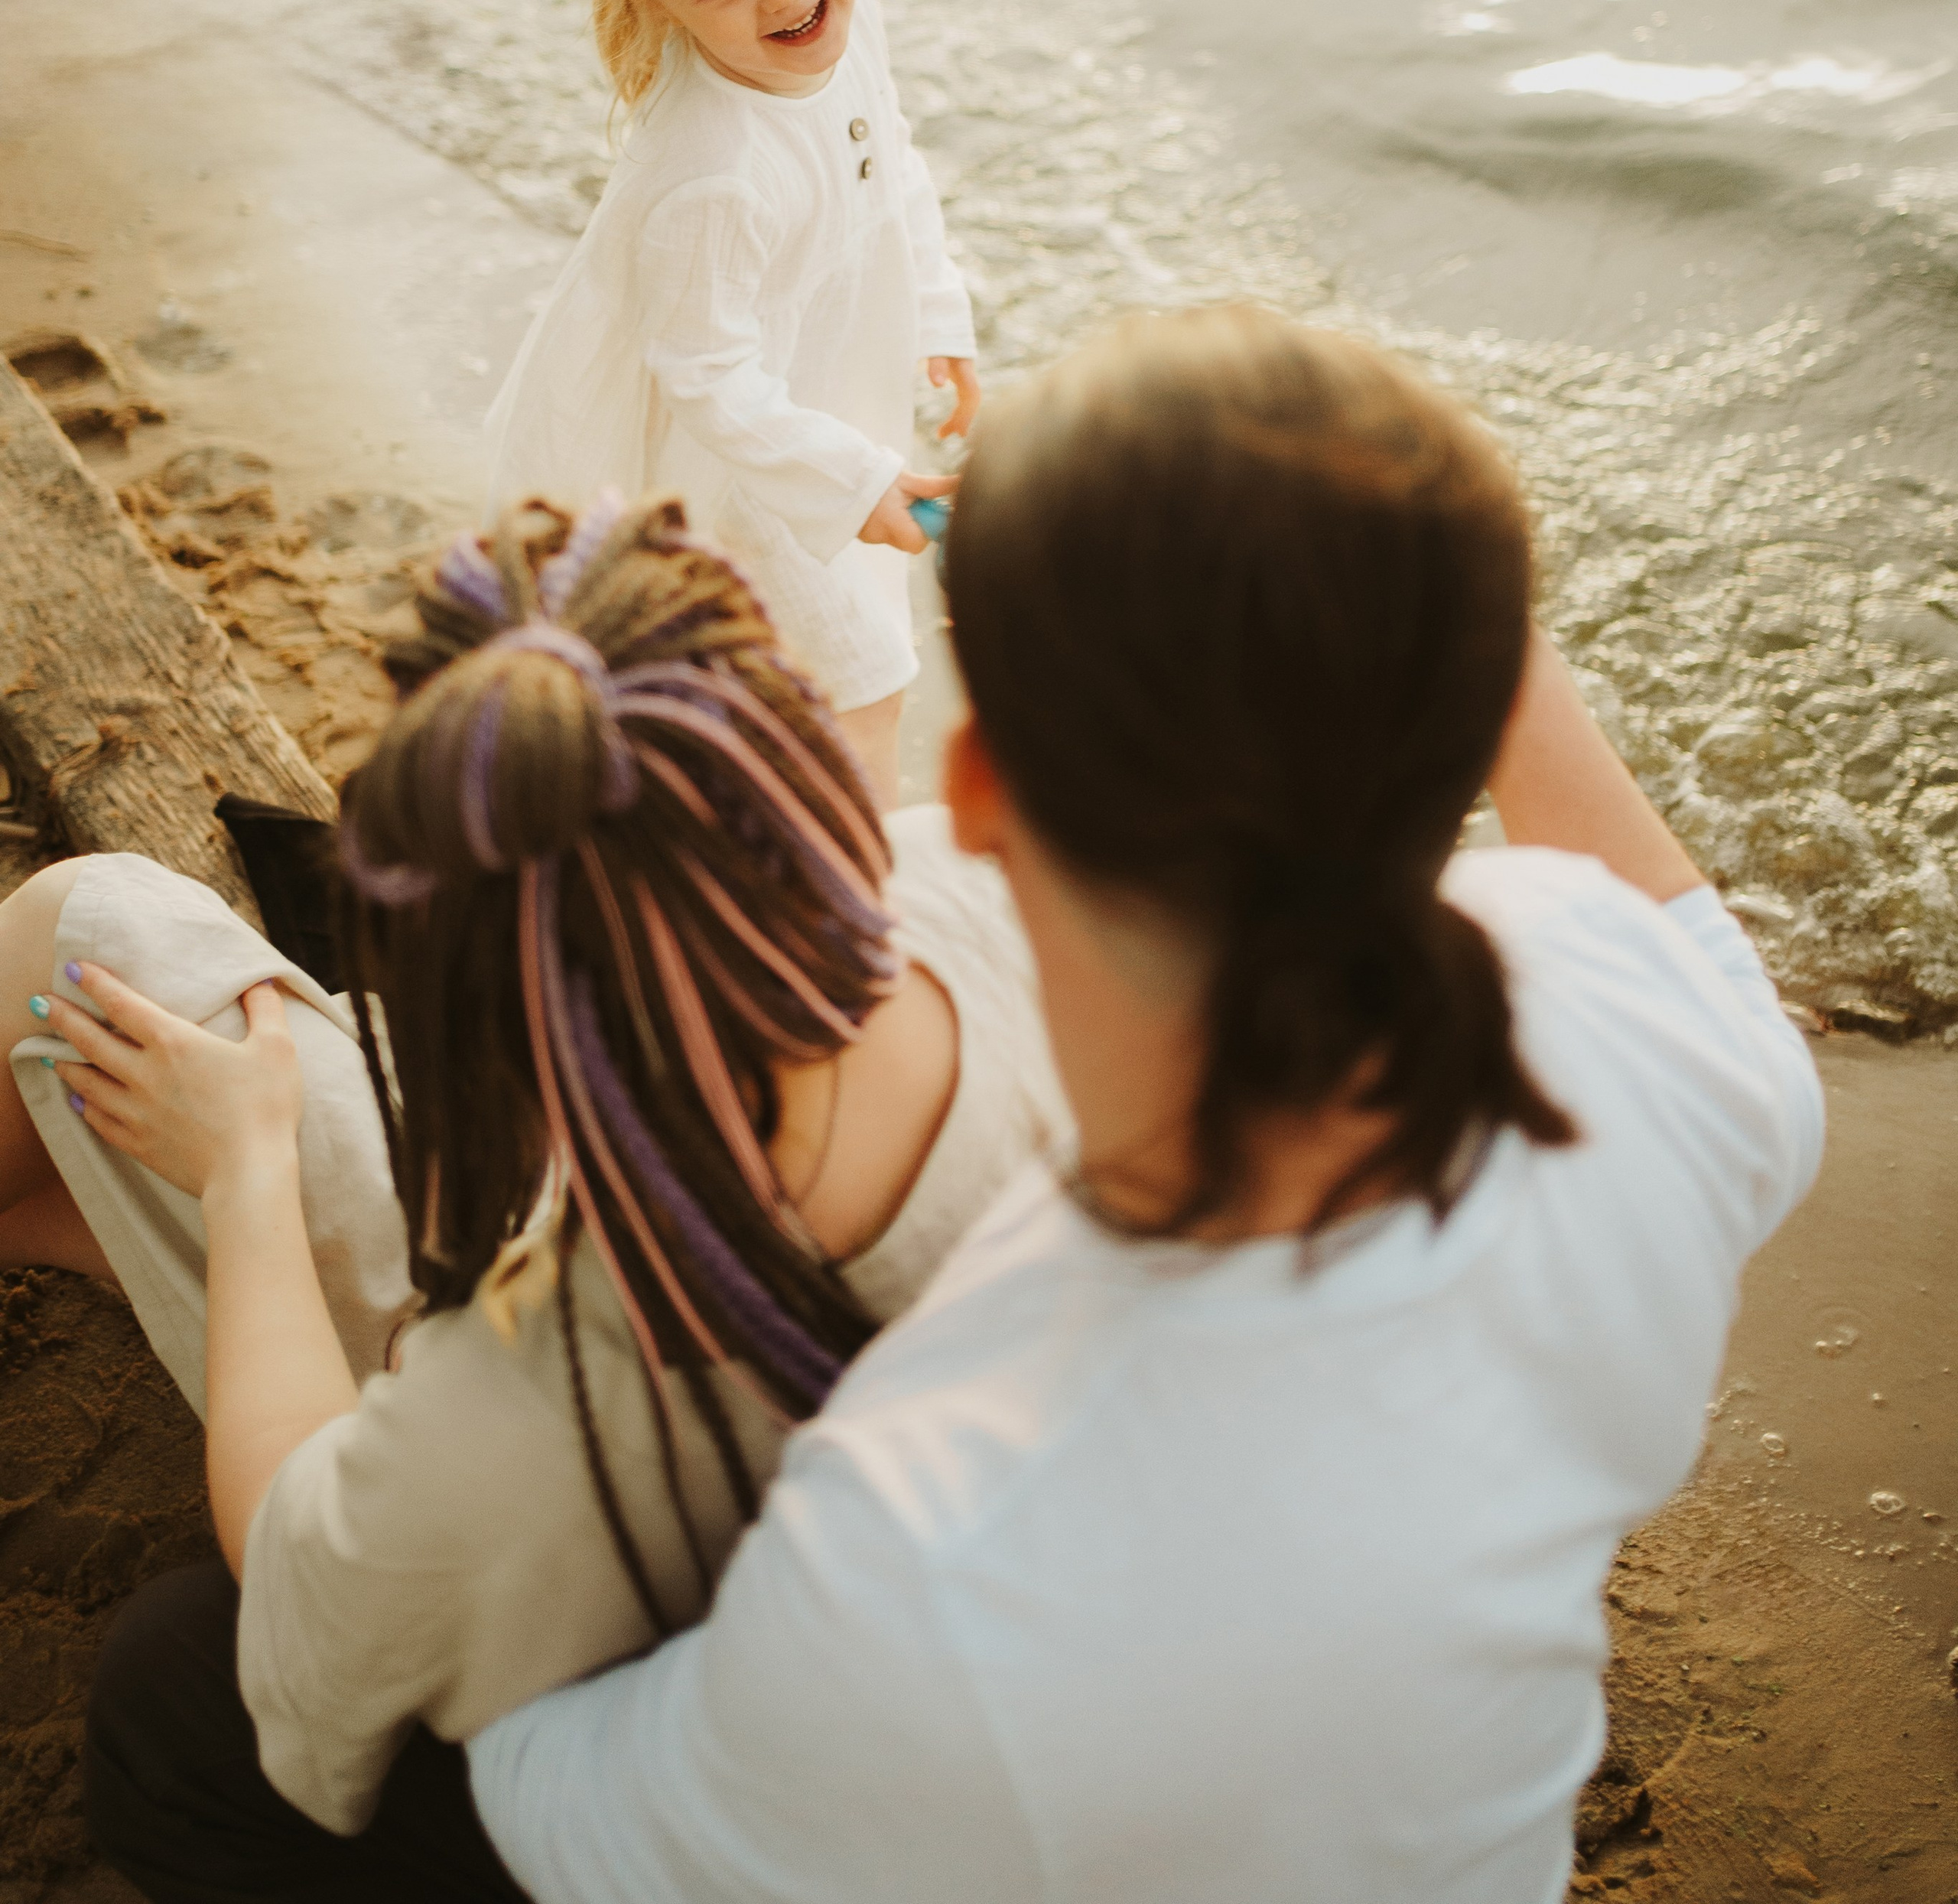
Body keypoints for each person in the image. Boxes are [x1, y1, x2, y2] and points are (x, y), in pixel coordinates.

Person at [437, 306, 1820, 1904]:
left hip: (920, 1766)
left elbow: (545, 1785)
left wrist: (299, 1227)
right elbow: (1664, 925)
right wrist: (1385, 534)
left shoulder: (939, 1538)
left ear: (972, 794)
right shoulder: (1625, 1037)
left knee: (180, 1707)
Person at [1, 495, 1068, 1899]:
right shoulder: (998, 905)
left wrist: (247, 1176)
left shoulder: (541, 1390)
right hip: (688, 1359)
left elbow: (305, 1599)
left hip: (659, 1622)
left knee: (177, 1695)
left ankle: (172, 1227)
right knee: (99, 938)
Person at [484, 0, 978, 803]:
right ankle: (858, 894)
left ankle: (812, 863)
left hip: (833, 417)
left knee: (820, 690)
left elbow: (890, 161)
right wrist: (850, 481)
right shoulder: (712, 174)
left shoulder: (853, 25)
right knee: (859, 687)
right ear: (657, 3)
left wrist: (939, 317)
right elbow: (703, 376)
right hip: (748, 471)